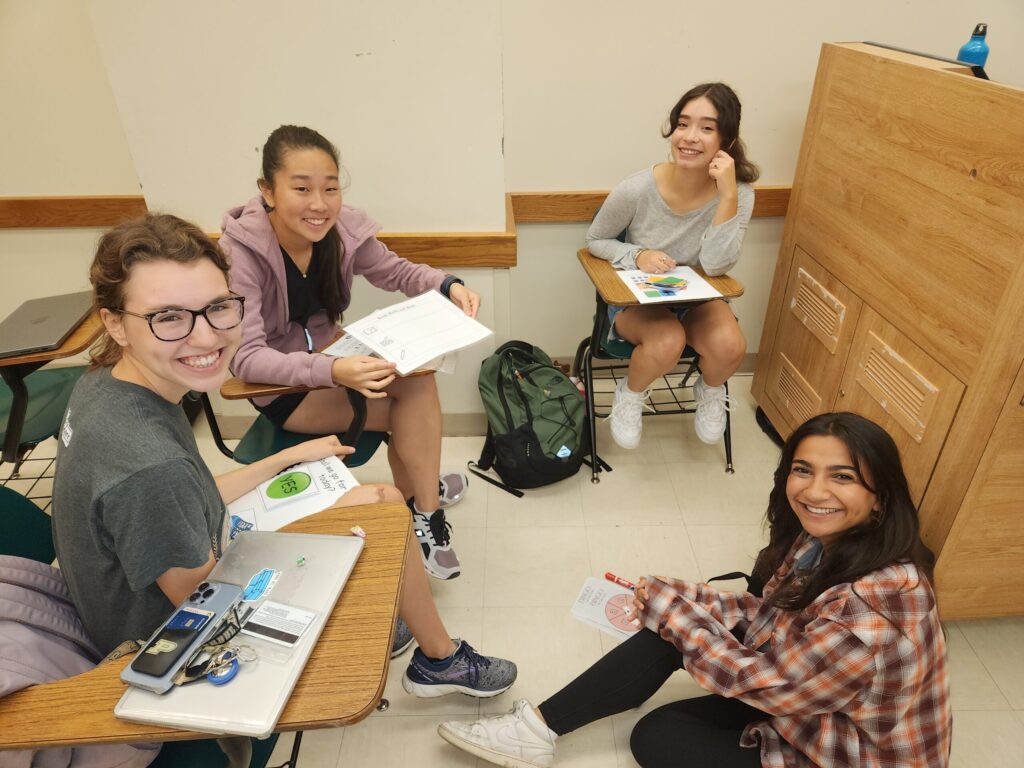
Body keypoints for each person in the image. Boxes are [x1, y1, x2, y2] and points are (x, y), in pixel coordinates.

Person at [50, 214, 516, 705]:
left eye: (218, 308)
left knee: (370, 499)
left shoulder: (109, 385)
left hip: (164, 576)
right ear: (115, 323)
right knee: (377, 511)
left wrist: (292, 456)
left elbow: (193, 498)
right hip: (167, 646)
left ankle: (418, 641)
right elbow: (204, 603)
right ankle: (439, 660)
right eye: (168, 317)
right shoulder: (148, 466)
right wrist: (326, 572)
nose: (206, 338)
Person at [437, 412, 951, 767]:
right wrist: (680, 596)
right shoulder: (828, 539)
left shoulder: (868, 615)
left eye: (841, 477)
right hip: (814, 704)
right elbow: (765, 613)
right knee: (675, 628)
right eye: (802, 470)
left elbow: (766, 683)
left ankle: (535, 732)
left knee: (656, 736)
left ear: (880, 497)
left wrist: (674, 613)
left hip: (843, 752)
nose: (814, 491)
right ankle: (536, 732)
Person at [220, 125, 477, 581]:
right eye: (301, 188)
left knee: (416, 379)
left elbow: (394, 270)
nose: (319, 204)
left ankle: (422, 494)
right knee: (412, 399)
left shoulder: (341, 232)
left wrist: (446, 283)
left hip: (336, 361)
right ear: (268, 191)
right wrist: (333, 369)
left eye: (330, 188)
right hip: (285, 387)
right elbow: (246, 358)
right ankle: (425, 509)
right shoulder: (240, 252)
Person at [586, 82, 759, 449]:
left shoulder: (739, 194)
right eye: (683, 124)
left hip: (698, 300)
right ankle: (630, 393)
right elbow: (595, 240)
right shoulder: (637, 188)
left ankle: (709, 390)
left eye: (707, 128)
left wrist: (727, 195)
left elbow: (715, 265)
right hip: (640, 302)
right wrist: (637, 255)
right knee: (667, 340)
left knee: (731, 346)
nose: (690, 137)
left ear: (726, 140)